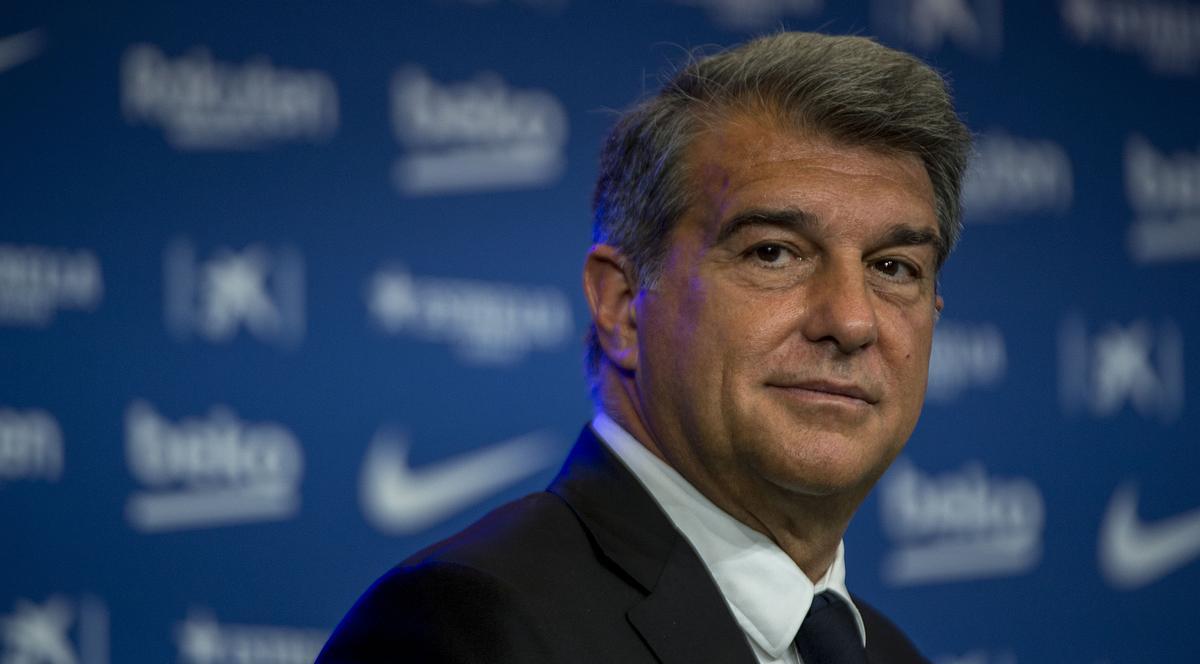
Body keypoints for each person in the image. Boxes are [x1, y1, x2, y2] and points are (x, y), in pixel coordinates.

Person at [318, 30, 971, 664]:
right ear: (622, 305)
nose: (852, 320)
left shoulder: (889, 655)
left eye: (893, 268)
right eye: (773, 253)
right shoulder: (468, 627)